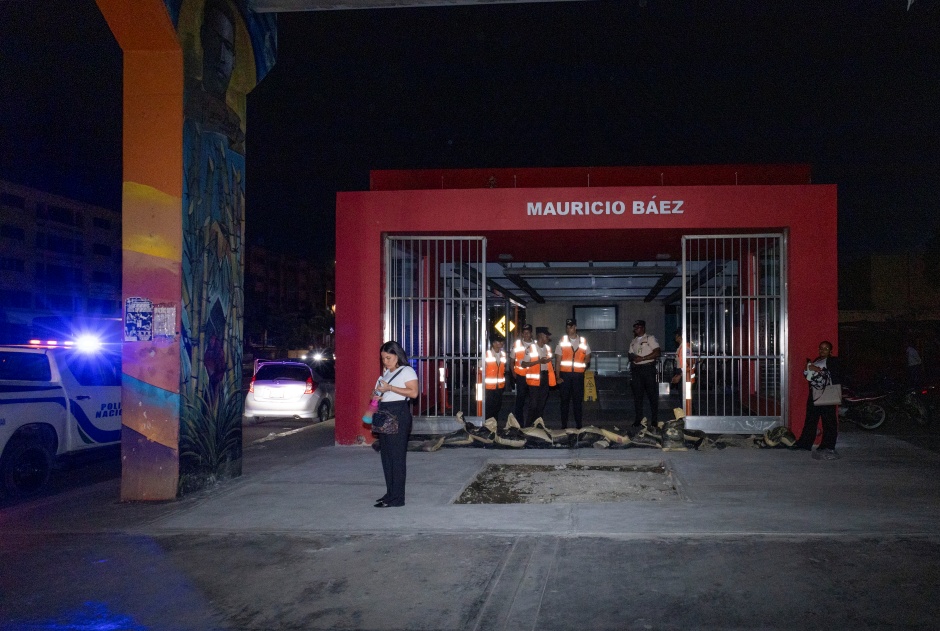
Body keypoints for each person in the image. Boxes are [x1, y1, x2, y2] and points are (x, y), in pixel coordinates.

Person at [370, 341, 419, 507]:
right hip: (385, 413)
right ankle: (390, 493)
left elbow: (413, 392)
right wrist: (376, 395)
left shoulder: (406, 371)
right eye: (383, 358)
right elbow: (380, 394)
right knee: (387, 457)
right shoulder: (386, 373)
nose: (385, 361)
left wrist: (390, 388)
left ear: (397, 356)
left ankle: (397, 498)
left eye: (388, 358)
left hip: (398, 414)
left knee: (397, 458)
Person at [794, 340, 843, 460]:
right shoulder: (816, 360)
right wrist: (809, 369)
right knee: (810, 419)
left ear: (830, 351)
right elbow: (809, 377)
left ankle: (828, 446)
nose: (822, 350)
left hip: (827, 393)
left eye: (826, 348)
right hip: (815, 393)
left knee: (829, 421)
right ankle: (805, 443)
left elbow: (833, 374)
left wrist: (816, 369)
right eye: (821, 348)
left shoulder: (833, 361)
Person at [555, 318, 591, 429]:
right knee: (564, 402)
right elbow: (557, 361)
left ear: (575, 327)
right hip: (565, 376)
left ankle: (579, 426)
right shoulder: (562, 341)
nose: (568, 329)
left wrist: (583, 365)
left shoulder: (583, 341)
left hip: (578, 376)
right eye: (567, 327)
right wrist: (557, 377)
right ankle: (564, 426)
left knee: (577, 402)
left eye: (570, 327)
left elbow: (588, 357)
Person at [628, 320, 661, 428]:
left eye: (637, 327)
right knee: (637, 396)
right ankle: (638, 419)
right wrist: (634, 357)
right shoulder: (633, 341)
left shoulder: (649, 338)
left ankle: (654, 420)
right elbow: (630, 354)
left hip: (648, 369)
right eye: (635, 327)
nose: (635, 329)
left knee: (652, 395)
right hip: (637, 370)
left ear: (642, 328)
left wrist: (643, 358)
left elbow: (657, 352)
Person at [522, 326, 556, 426]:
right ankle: (528, 426)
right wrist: (538, 361)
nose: (548, 338)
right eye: (546, 336)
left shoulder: (547, 348)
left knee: (541, 404)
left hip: (545, 377)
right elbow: (523, 364)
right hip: (534, 379)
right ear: (541, 336)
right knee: (533, 404)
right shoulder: (531, 348)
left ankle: (538, 425)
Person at [511, 324, 534, 422]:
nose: (526, 334)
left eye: (528, 332)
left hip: (533, 376)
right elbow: (511, 360)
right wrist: (513, 372)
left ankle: (530, 421)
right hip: (520, 376)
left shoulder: (535, 345)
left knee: (533, 400)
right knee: (520, 399)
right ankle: (519, 422)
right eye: (524, 333)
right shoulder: (517, 344)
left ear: (531, 333)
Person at [484, 334, 508, 422]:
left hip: (499, 386)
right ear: (493, 343)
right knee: (489, 407)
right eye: (499, 341)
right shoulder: (487, 354)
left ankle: (494, 424)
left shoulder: (503, 355)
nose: (501, 343)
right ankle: (489, 424)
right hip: (489, 387)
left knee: (497, 406)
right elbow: (480, 369)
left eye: (502, 341)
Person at [673, 331, 696, 415]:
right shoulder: (682, 347)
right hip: (685, 375)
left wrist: (680, 375)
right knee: (684, 398)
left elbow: (689, 363)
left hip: (686, 377)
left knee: (686, 398)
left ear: (680, 337)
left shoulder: (685, 348)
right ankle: (687, 416)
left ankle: (689, 416)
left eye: (676, 335)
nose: (675, 338)